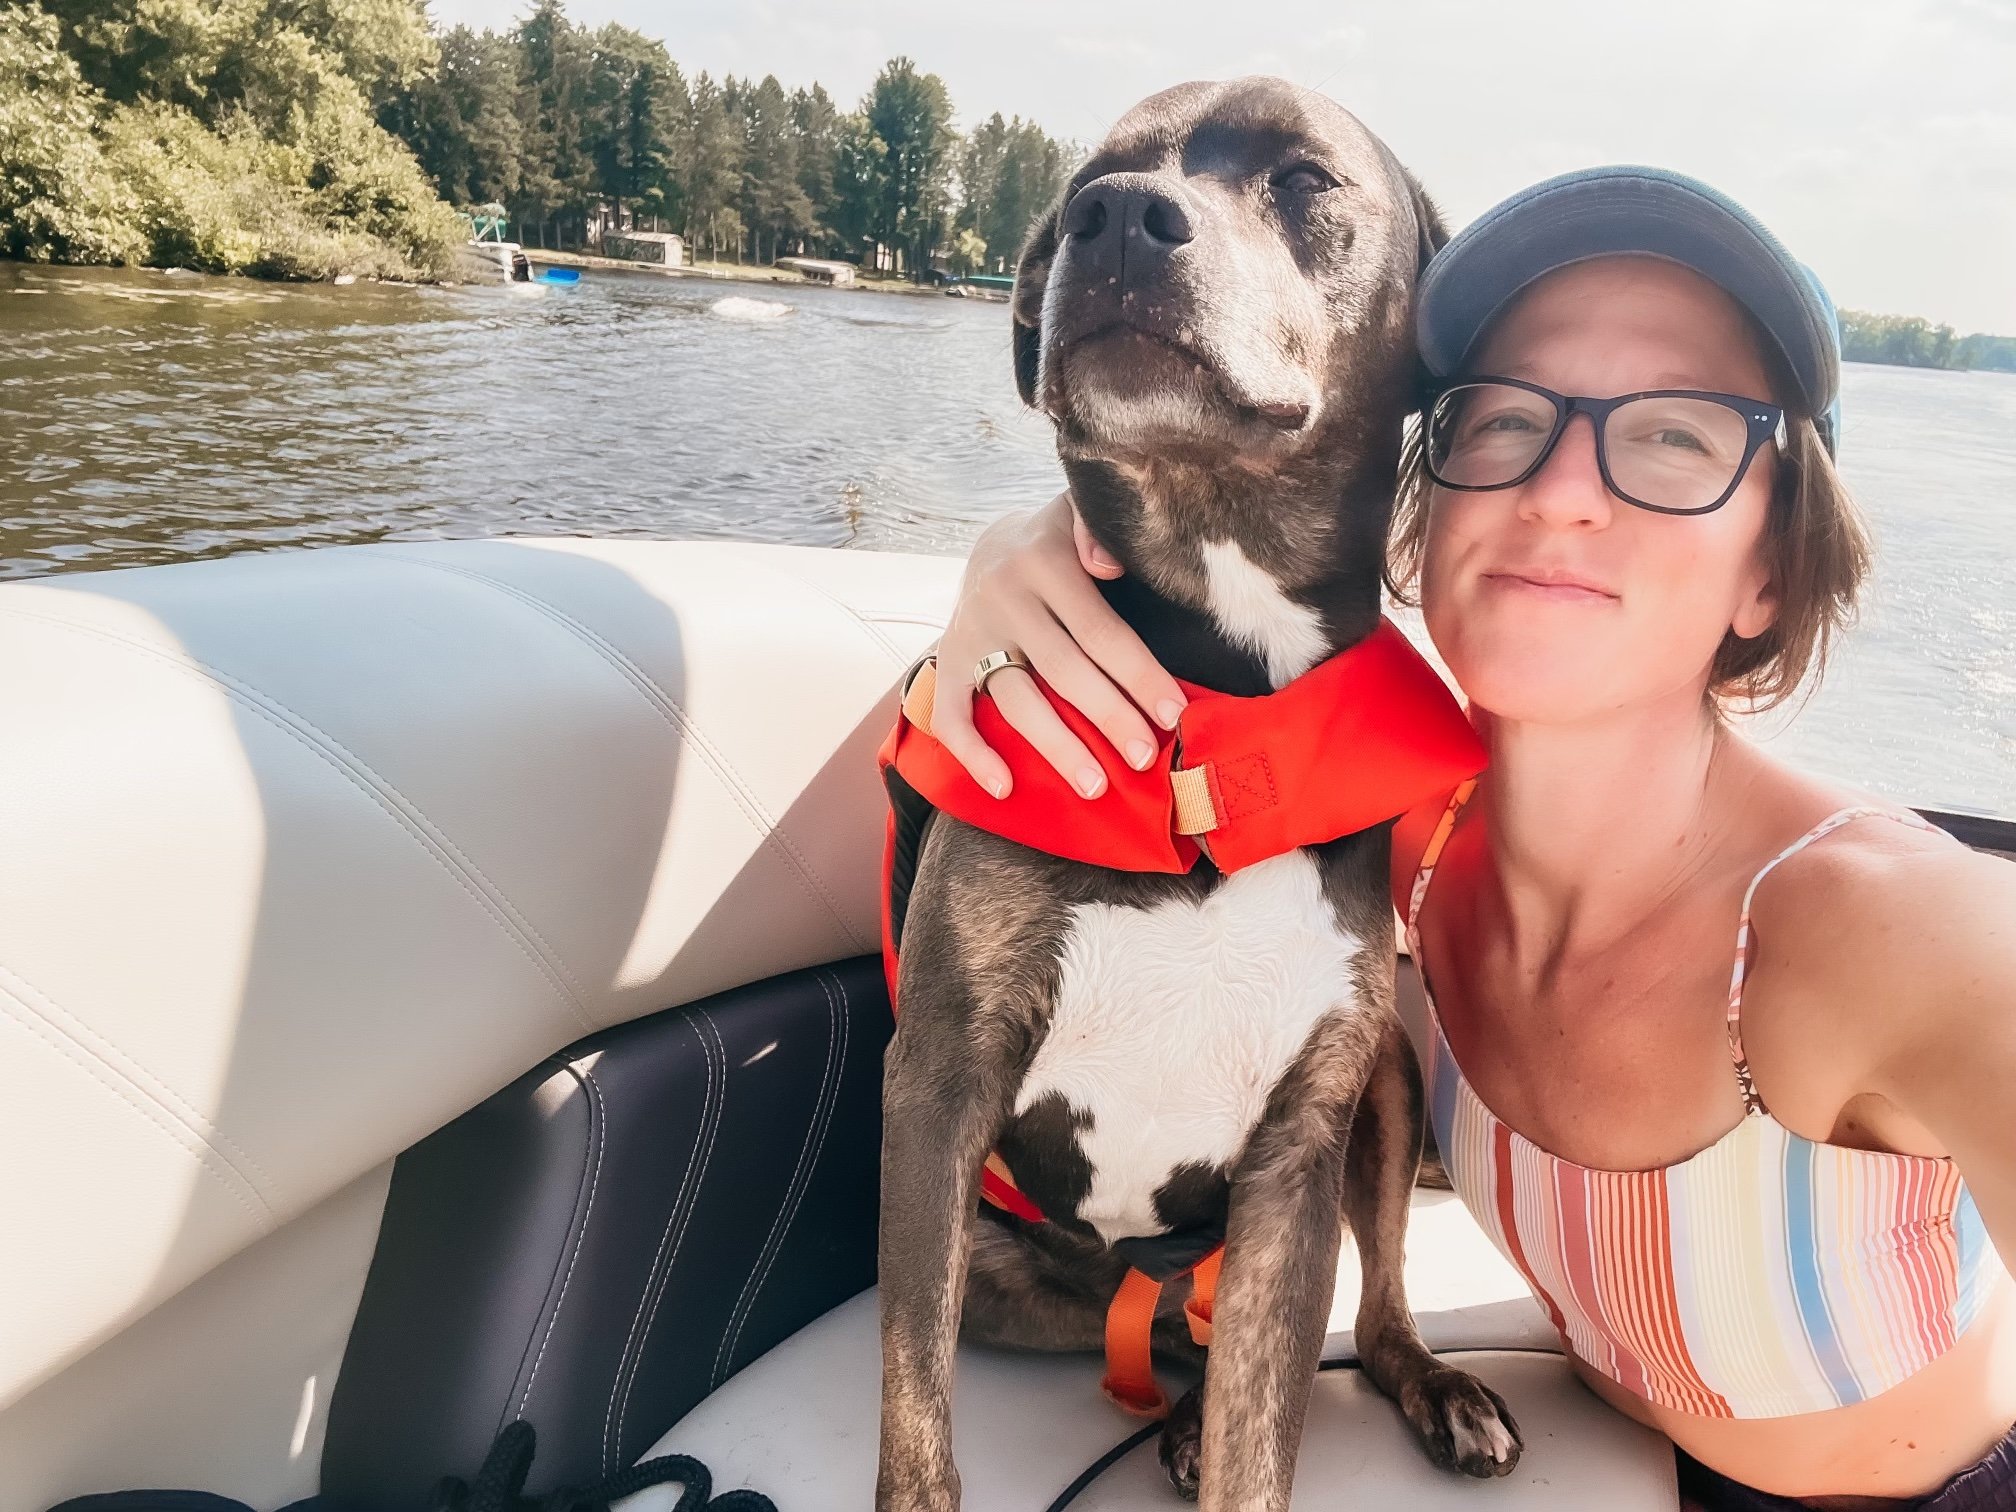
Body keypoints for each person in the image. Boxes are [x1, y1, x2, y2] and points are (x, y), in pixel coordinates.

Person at [919, 167, 2016, 1511]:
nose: (1559, 492)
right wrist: (1011, 568)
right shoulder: (1395, 822)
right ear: (1423, 508)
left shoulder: (1905, 929)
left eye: (1675, 436)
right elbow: (1088, 732)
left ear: (1771, 568)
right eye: (1501, 421)